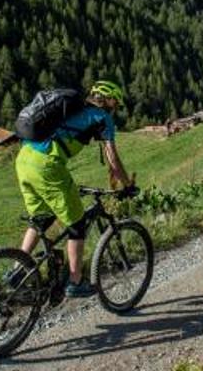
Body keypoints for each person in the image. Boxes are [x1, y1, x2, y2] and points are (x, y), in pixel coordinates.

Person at [14, 80, 134, 297]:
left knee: (42, 218)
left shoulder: (70, 109)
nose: (115, 108)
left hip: (23, 158)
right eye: (114, 102)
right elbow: (113, 160)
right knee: (77, 223)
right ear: (106, 99)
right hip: (46, 165)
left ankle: (16, 272)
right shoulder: (101, 117)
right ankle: (75, 281)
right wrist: (127, 185)